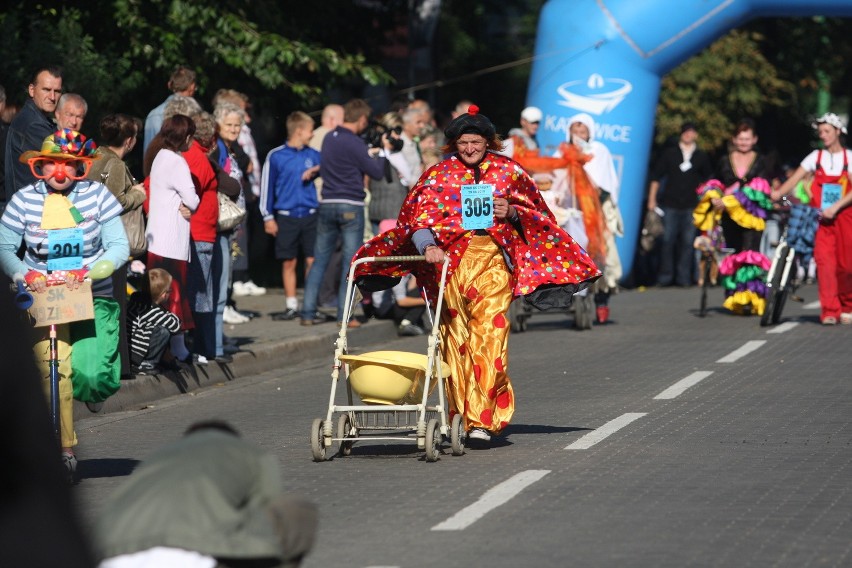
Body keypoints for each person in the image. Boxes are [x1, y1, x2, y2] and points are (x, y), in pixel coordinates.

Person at [352, 105, 600, 444]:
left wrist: (512, 211)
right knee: (455, 338)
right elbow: (416, 220)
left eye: (476, 142)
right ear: (454, 143)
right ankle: (457, 416)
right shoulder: (438, 175)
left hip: (493, 261)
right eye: (463, 142)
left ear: (489, 142)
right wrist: (428, 248)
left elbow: (540, 216)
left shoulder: (509, 172)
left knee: (490, 333)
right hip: (449, 265)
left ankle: (482, 418)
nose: (469, 149)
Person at [0, 128, 130, 480]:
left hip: (89, 294)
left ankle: (91, 393)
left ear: (80, 168)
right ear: (39, 167)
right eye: (50, 165)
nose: (60, 173)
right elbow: (5, 247)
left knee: (92, 375)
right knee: (53, 371)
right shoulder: (24, 201)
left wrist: (92, 270)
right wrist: (24, 274)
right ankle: (64, 450)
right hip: (44, 297)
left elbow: (119, 245)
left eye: (69, 165)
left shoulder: (98, 196)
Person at [95, 420, 318, 568]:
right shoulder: (250, 454)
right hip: (189, 553)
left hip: (108, 555)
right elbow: (269, 512)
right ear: (233, 438)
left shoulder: (157, 458)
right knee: (294, 511)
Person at [0, 273, 96, 568]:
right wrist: (22, 272)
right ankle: (65, 448)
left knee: (65, 376)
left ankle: (66, 447)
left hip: (74, 293)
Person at [300, 98, 391, 327]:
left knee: (320, 259)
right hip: (351, 205)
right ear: (361, 119)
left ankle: (308, 313)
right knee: (351, 263)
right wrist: (381, 153)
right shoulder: (355, 142)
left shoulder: (330, 137)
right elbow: (376, 172)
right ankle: (344, 315)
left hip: (327, 203)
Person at [771, 112, 852, 325]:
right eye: (820, 132)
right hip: (821, 219)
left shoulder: (849, 158)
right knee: (825, 263)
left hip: (845, 217)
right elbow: (794, 179)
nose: (823, 135)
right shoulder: (815, 157)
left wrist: (835, 207)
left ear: (838, 132)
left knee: (846, 265)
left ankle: (847, 305)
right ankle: (829, 311)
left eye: (827, 131)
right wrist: (777, 194)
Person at [87, 113, 148, 378]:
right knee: (114, 305)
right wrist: (138, 194)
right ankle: (117, 366)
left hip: (92, 241)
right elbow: (112, 203)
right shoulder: (115, 164)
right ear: (130, 140)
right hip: (111, 242)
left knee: (102, 304)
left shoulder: (93, 157)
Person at [695, 119, 775, 315]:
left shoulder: (761, 160)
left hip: (752, 216)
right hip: (729, 216)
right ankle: (734, 295)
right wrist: (714, 196)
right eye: (740, 139)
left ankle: (751, 296)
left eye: (747, 139)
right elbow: (715, 182)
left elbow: (760, 187)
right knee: (734, 253)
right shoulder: (725, 160)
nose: (743, 143)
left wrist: (733, 199)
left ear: (754, 139)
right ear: (734, 139)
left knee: (749, 254)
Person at [144, 114, 200, 363]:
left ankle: (163, 351)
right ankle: (178, 349)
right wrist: (190, 206)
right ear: (186, 137)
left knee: (158, 297)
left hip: (156, 237)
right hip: (172, 240)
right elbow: (193, 199)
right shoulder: (177, 162)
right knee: (173, 294)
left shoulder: (158, 156)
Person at [563, 112, 624, 324]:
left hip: (596, 212)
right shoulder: (563, 153)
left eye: (583, 131)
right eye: (575, 130)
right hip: (571, 211)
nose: (578, 135)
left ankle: (602, 300)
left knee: (602, 256)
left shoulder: (599, 151)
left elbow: (604, 184)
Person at [261, 111, 321, 321]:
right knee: (289, 261)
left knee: (312, 259)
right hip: (286, 215)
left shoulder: (313, 154)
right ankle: (291, 304)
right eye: (310, 130)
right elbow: (266, 187)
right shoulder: (276, 156)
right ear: (299, 131)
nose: (312, 134)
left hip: (310, 214)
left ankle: (310, 302)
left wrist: (318, 168)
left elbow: (330, 166)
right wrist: (267, 217)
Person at [647, 121, 714, 287]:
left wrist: (706, 200)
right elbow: (656, 177)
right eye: (686, 132)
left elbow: (709, 180)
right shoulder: (670, 153)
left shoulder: (701, 156)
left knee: (687, 242)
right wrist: (652, 199)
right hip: (670, 203)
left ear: (696, 135)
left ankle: (684, 277)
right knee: (667, 240)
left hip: (691, 205)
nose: (688, 135)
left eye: (692, 132)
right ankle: (665, 277)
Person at [183, 111, 227, 362]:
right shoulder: (198, 158)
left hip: (200, 231)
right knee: (201, 294)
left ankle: (204, 346)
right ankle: (203, 347)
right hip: (200, 233)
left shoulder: (193, 156)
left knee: (202, 292)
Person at [5, 66, 63, 201]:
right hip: (32, 211)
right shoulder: (33, 125)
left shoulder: (36, 119)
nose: (53, 97)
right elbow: (67, 165)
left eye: (57, 91)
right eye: (47, 90)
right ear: (32, 90)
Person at [127, 268, 182, 374]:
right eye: (169, 291)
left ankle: (154, 361)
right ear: (164, 294)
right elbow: (176, 325)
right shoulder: (150, 310)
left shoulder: (138, 302)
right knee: (163, 331)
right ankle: (146, 363)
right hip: (136, 353)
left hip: (130, 349)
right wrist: (169, 314)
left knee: (159, 326)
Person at [143, 65, 197, 155]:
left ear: (169, 84)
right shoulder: (194, 112)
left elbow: (148, 153)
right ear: (192, 87)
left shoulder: (153, 114)